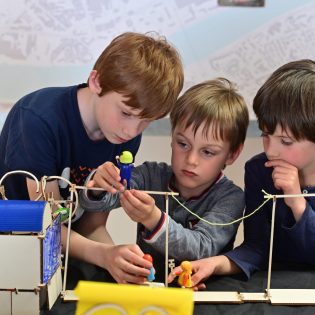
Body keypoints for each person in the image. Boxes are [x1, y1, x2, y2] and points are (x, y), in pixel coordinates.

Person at [0, 31, 184, 284]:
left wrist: (122, 262)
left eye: (147, 121)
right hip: (14, 250)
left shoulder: (123, 136)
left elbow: (92, 225)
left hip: (63, 252)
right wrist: (105, 255)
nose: (132, 131)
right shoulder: (38, 119)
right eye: (126, 113)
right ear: (96, 81)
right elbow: (48, 229)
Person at [80, 78, 249, 282]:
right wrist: (99, 185)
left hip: (202, 297)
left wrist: (153, 218)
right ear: (172, 137)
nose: (191, 160)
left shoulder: (231, 198)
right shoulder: (150, 175)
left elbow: (201, 248)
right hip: (147, 291)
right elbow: (100, 201)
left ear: (232, 154)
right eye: (183, 144)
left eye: (207, 152)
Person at [168, 59, 315, 289]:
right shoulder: (259, 171)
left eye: (286, 141)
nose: (271, 150)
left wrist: (297, 203)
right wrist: (215, 264)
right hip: (273, 284)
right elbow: (256, 247)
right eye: (266, 135)